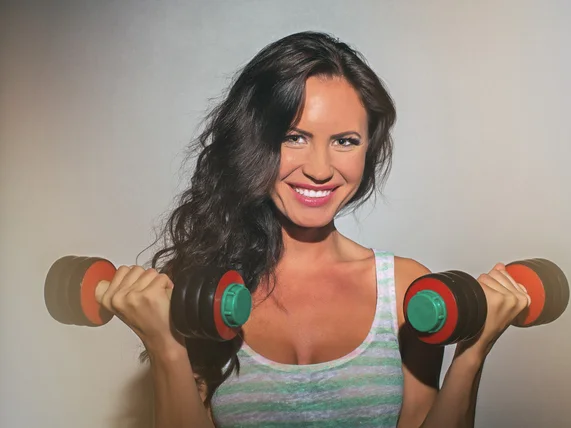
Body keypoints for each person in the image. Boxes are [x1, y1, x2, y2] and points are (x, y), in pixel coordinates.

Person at [98, 31, 531, 428]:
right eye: (293, 137)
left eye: (345, 141)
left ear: (368, 149)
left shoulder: (405, 290)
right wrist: (167, 347)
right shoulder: (205, 288)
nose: (320, 170)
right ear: (253, 142)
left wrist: (472, 354)